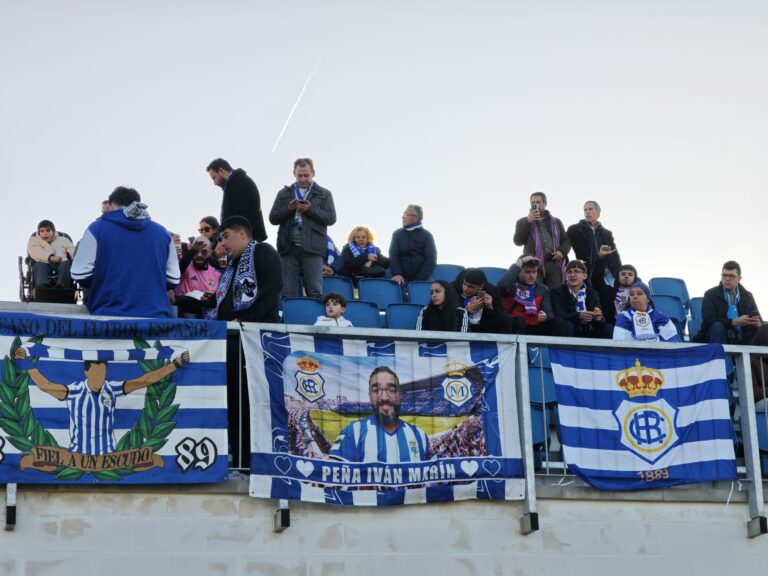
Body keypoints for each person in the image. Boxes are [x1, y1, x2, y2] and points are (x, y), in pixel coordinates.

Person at [15, 346, 190, 455]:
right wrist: (28, 365)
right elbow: (47, 386)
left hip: (108, 456)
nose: (100, 377)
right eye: (96, 372)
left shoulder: (112, 388)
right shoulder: (76, 390)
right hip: (78, 454)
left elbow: (146, 380)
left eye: (103, 372)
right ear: (86, 372)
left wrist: (173, 365)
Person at [71, 187, 180, 318]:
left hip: (107, 315)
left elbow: (79, 273)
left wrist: (104, 280)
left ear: (110, 205)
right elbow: (174, 279)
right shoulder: (163, 233)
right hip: (154, 316)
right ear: (137, 203)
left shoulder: (96, 228)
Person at [329, 366, 431, 463]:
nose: (384, 397)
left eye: (391, 390)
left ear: (400, 395)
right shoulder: (352, 433)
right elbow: (334, 476)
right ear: (370, 396)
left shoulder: (420, 436)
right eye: (376, 390)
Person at [269, 158, 336, 299]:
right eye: (300, 175)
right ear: (294, 173)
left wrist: (311, 210)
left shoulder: (325, 194)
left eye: (306, 175)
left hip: (313, 250)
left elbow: (331, 218)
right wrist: (288, 209)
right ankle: (287, 319)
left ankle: (315, 321)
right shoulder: (283, 193)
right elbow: (273, 218)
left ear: (313, 173)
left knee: (315, 292)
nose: (303, 179)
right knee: (286, 292)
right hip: (288, 248)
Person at [215, 216, 283, 323]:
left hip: (256, 332)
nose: (222, 243)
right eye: (221, 239)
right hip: (228, 331)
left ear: (242, 235)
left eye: (226, 236)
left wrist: (244, 320)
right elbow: (213, 301)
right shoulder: (230, 267)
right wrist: (179, 299)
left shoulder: (263, 251)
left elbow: (273, 287)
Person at [566, 200, 622, 321]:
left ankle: (611, 325)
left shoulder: (606, 233)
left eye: (590, 209)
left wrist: (619, 270)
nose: (587, 212)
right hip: (588, 269)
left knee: (611, 297)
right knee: (593, 298)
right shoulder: (574, 229)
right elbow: (565, 244)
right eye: (585, 210)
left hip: (608, 270)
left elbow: (614, 254)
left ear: (598, 213)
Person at [694, 261, 762, 345]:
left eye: (731, 276)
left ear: (739, 278)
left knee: (764, 329)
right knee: (717, 327)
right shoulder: (710, 294)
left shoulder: (747, 296)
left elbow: (758, 318)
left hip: (743, 337)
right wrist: (733, 322)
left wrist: (758, 323)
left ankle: (757, 358)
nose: (727, 279)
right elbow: (708, 321)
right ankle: (719, 357)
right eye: (724, 275)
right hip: (717, 335)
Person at [513, 192, 571, 289]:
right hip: (533, 264)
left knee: (556, 292)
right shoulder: (522, 221)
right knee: (536, 293)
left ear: (545, 204)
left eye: (538, 202)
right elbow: (518, 241)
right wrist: (528, 222)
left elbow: (566, 240)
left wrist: (562, 251)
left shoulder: (556, 222)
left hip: (553, 263)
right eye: (533, 203)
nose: (535, 205)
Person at [498, 256, 566, 336]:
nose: (532, 276)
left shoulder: (542, 289)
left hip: (535, 326)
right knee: (519, 320)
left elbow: (549, 313)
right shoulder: (511, 286)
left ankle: (559, 348)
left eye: (534, 272)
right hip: (515, 326)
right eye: (527, 272)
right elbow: (502, 285)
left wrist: (545, 316)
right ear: (519, 271)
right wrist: (520, 262)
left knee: (559, 322)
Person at [206, 158, 267, 244]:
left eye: (214, 178)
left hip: (246, 242)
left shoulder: (239, 182)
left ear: (221, 171)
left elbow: (238, 217)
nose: (214, 183)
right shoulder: (235, 183)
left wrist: (223, 239)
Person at [551, 260, 613, 339]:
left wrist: (598, 317)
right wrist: (580, 315)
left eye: (576, 271)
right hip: (569, 328)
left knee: (608, 328)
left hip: (588, 328)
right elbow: (559, 315)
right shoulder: (557, 292)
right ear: (565, 276)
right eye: (569, 272)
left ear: (584, 276)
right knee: (565, 324)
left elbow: (600, 317)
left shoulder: (592, 292)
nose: (572, 275)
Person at [452, 268, 517, 334]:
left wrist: (490, 307)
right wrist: (468, 309)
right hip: (460, 325)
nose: (465, 288)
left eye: (471, 287)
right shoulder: (453, 289)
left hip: (482, 325)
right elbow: (449, 313)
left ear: (481, 287)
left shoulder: (491, 291)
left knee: (507, 318)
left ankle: (504, 343)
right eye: (464, 284)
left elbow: (500, 314)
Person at [170, 236, 221, 318]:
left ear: (210, 252)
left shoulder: (216, 272)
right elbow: (178, 270)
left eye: (204, 252)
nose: (199, 255)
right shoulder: (185, 264)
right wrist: (191, 251)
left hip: (205, 318)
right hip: (183, 316)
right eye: (196, 251)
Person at [613, 281, 681, 342]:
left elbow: (672, 342)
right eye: (632, 294)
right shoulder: (624, 317)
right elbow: (620, 341)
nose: (634, 297)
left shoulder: (661, 318)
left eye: (639, 294)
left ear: (648, 299)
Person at [388, 205, 437, 286]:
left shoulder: (427, 235)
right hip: (401, 276)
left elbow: (431, 259)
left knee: (430, 291)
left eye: (406, 214)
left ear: (415, 217)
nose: (402, 217)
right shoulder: (397, 234)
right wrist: (397, 273)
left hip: (423, 277)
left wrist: (420, 279)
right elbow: (393, 255)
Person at [28, 219, 75, 289]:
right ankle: (43, 287)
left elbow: (72, 252)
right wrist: (50, 257)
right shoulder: (34, 240)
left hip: (61, 264)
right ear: (39, 233)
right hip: (43, 265)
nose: (45, 233)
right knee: (39, 264)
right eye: (42, 231)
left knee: (66, 263)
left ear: (53, 231)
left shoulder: (64, 240)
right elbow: (35, 251)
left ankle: (62, 287)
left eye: (48, 230)